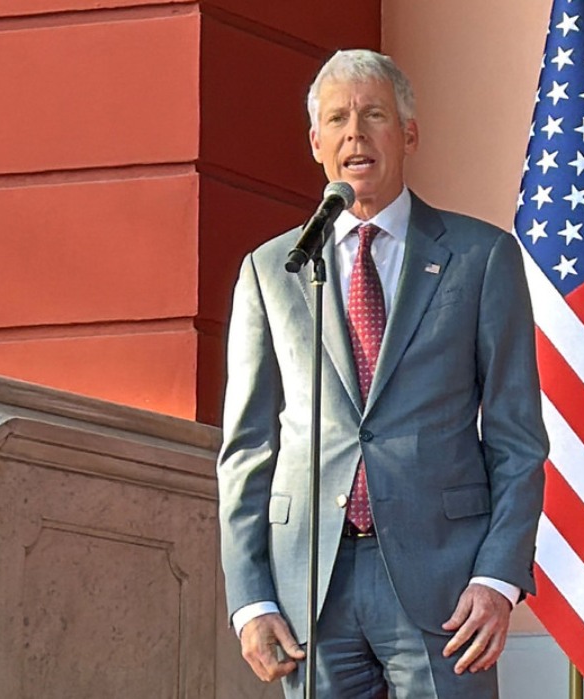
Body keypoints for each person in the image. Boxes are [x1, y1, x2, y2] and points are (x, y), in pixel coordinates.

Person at [216, 49, 548, 698]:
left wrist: (498, 578)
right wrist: (251, 598)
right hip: (311, 585)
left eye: (373, 115)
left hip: (446, 586)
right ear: (316, 143)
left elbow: (517, 438)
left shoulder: (480, 257)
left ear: (409, 134)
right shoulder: (273, 270)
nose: (355, 135)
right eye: (337, 120)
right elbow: (247, 447)